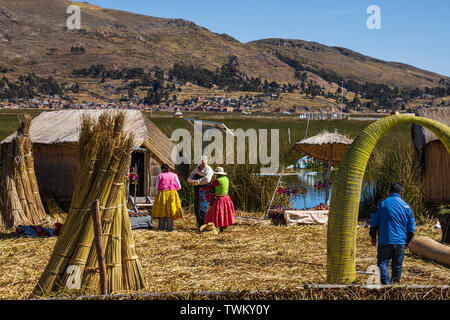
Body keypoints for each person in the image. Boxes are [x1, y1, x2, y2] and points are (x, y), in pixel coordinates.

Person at [370, 182, 415, 284]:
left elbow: (373, 222)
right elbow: (411, 227)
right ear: (401, 194)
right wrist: (408, 240)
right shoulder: (406, 206)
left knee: (382, 263)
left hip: (385, 241)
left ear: (390, 193)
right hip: (400, 242)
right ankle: (395, 285)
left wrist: (373, 236)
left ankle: (386, 285)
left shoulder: (382, 203)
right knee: (397, 265)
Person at [200, 167, 235, 232]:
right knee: (225, 212)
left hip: (220, 199)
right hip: (227, 198)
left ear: (218, 174)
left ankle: (220, 227)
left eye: (216, 174)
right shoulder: (226, 179)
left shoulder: (218, 180)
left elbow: (210, 187)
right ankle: (224, 226)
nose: (215, 175)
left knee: (218, 213)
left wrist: (203, 188)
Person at [151, 164, 183, 232]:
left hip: (162, 194)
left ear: (162, 169)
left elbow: (156, 187)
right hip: (172, 194)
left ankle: (161, 228)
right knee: (171, 209)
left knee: (162, 210)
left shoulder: (160, 176)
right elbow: (179, 186)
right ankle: (170, 228)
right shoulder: (174, 175)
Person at [187, 156, 214, 228]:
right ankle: (199, 225)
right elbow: (192, 174)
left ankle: (204, 225)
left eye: (203, 163)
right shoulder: (197, 167)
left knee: (202, 208)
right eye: (200, 163)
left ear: (206, 162)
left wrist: (196, 182)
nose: (201, 164)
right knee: (196, 208)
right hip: (197, 191)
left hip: (204, 191)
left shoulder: (208, 169)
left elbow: (207, 179)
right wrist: (190, 179)